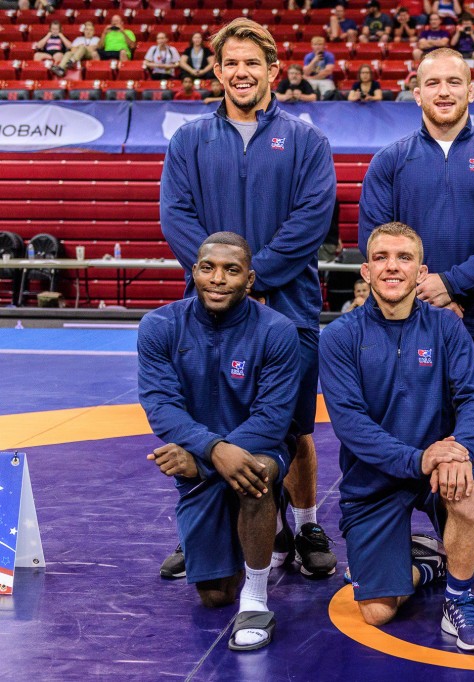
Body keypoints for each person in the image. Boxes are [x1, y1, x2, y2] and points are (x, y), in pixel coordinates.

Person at [160, 18, 338, 583]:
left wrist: (245, 275)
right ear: (217, 70)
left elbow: (312, 219)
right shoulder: (189, 140)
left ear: (273, 71)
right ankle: (206, 532)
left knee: (295, 426)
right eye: (231, 63)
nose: (241, 73)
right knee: (209, 420)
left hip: (289, 305)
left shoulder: (306, 140)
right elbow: (175, 217)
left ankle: (305, 523)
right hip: (206, 312)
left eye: (252, 64)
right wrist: (223, 278)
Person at [358, 48, 474, 585]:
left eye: (454, 82)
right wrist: (421, 290)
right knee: (401, 420)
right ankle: (396, 529)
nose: (444, 92)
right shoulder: (391, 160)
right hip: (403, 318)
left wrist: (452, 284)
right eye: (432, 83)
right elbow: (377, 239)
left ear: (471, 90)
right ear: (416, 93)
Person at [319, 223, 474, 651]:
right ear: (365, 271)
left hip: (438, 473)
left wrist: (460, 450)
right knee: (378, 610)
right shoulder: (340, 337)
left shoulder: (446, 327)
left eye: (404, 258)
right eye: (381, 258)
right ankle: (427, 564)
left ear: (422, 272)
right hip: (375, 480)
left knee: (468, 489)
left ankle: (459, 600)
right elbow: (351, 425)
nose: (392, 267)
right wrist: (422, 458)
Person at [138, 233, 300, 653]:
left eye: (231, 270)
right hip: (200, 454)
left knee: (256, 475)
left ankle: (256, 599)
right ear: (193, 272)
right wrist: (212, 453)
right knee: (214, 596)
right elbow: (161, 407)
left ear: (249, 280)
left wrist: (201, 461)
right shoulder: (159, 326)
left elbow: (274, 418)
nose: (218, 278)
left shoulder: (278, 331)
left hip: (258, 447)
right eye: (208, 267)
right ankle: (274, 528)